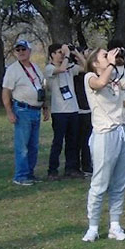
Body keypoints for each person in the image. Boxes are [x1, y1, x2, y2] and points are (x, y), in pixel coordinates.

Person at [83, 46, 125, 242]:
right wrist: (111, 64)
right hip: (103, 134)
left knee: (120, 181)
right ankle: (93, 226)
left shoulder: (116, 79)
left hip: (121, 132)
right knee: (100, 182)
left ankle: (115, 225)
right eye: (104, 56)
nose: (110, 57)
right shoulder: (90, 78)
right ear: (95, 63)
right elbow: (100, 83)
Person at [2, 38, 47, 186]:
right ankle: (20, 176)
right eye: (18, 50)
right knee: (22, 146)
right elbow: (6, 92)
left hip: (35, 110)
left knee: (33, 146)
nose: (21, 52)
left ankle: (30, 173)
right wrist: (9, 111)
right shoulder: (12, 70)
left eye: (23, 49)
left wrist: (45, 107)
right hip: (22, 110)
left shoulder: (35, 67)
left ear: (29, 51)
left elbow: (41, 88)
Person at [44, 43, 82, 179]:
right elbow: (60, 70)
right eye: (59, 52)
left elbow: (85, 67)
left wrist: (75, 53)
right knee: (58, 142)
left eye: (62, 52)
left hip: (73, 109)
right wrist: (66, 56)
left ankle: (71, 168)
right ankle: (52, 170)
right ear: (52, 54)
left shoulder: (70, 67)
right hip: (59, 111)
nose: (62, 54)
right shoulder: (50, 68)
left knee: (73, 141)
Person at [71, 47, 95, 176]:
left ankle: (86, 165)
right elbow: (86, 67)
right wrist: (76, 53)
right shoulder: (73, 69)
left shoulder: (90, 72)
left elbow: (89, 68)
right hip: (78, 109)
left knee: (87, 140)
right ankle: (76, 166)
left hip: (88, 109)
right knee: (77, 141)